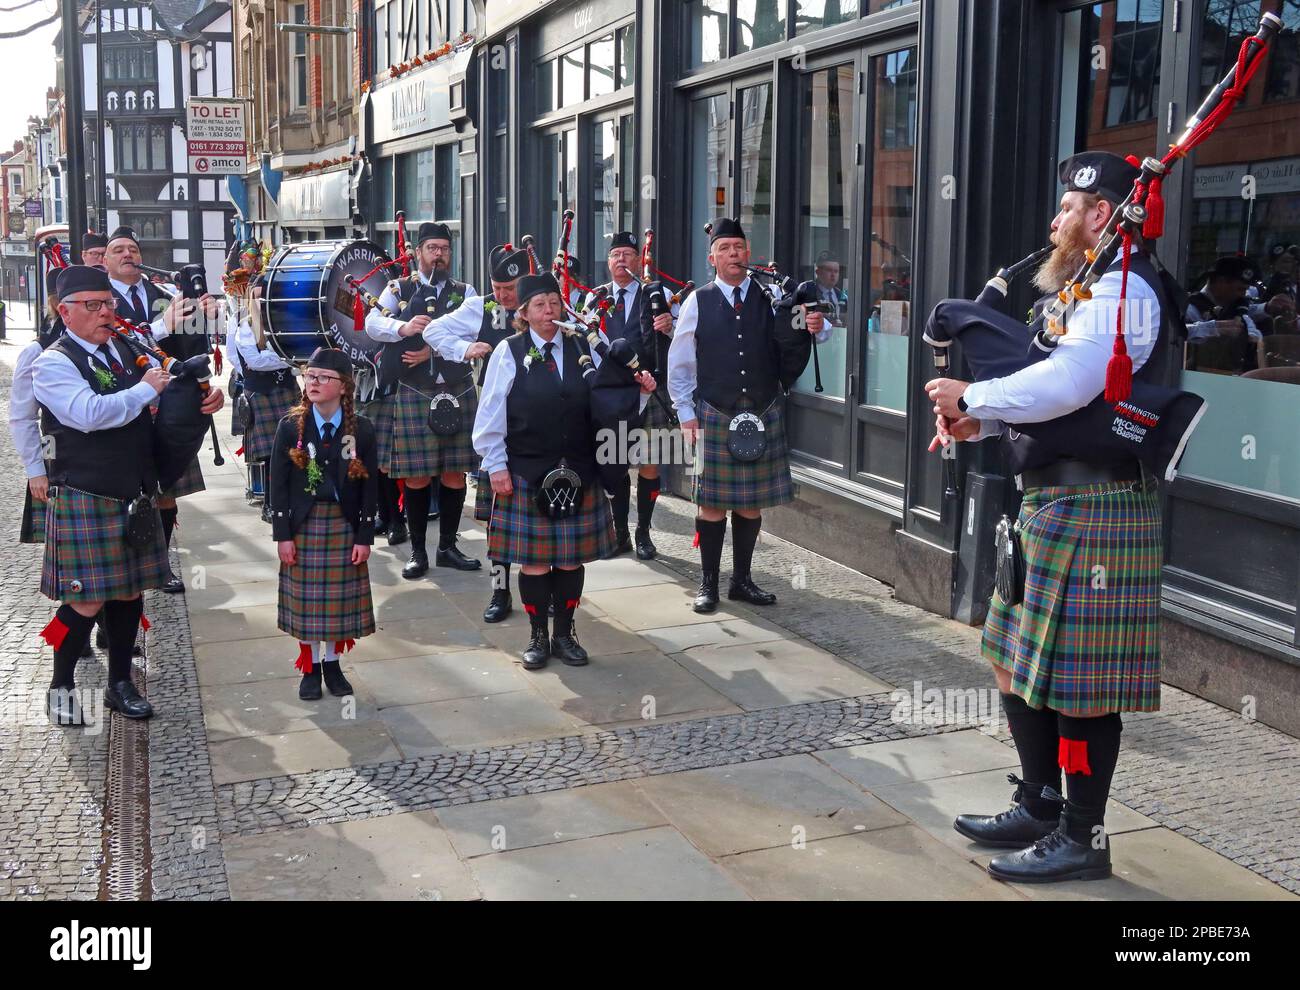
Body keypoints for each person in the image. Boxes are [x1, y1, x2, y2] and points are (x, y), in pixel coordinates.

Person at [926, 151, 1168, 883]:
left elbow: (1072, 382)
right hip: (1053, 500)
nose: (1056, 220)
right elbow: (1058, 398)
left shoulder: (1126, 288)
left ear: (1103, 214)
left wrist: (973, 398)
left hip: (1098, 505)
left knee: (1081, 685)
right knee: (1010, 657)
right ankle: (1038, 800)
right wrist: (984, 424)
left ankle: (1082, 835)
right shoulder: (1085, 289)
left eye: (1069, 207)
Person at [34, 265, 224, 724]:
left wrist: (199, 400)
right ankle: (60, 686)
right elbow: (89, 414)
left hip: (133, 490)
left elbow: (164, 386)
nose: (106, 313)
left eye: (109, 304)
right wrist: (145, 390)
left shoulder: (122, 348)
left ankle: (120, 683)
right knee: (82, 601)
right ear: (65, 311)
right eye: (93, 306)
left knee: (128, 593)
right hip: (85, 493)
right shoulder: (53, 362)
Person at [473, 272, 655, 669]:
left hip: (578, 469)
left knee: (571, 560)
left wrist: (640, 393)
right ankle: (538, 636)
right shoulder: (508, 350)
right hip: (525, 471)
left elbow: (608, 404)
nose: (549, 310)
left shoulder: (583, 346)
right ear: (523, 313)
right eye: (539, 304)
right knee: (535, 562)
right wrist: (496, 465)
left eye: (554, 302)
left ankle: (565, 633)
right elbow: (490, 413)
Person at [667, 217, 822, 614]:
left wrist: (819, 326)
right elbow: (681, 364)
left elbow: (808, 334)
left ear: (748, 253)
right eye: (726, 249)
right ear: (712, 258)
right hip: (715, 412)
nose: (734, 254)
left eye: (739, 247)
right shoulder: (696, 302)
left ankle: (742, 580)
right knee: (712, 505)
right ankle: (707, 585)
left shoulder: (772, 297)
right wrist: (686, 413)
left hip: (763, 408)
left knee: (751, 503)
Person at [105, 225, 221, 592]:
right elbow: (116, 340)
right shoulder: (99, 300)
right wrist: (163, 324)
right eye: (119, 250)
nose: (128, 255)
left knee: (167, 489)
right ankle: (127, 569)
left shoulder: (163, 294)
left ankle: (161, 564)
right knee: (130, 488)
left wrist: (208, 316)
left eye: (133, 250)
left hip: (171, 404)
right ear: (105, 261)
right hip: (126, 403)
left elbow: (193, 346)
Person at [365, 222, 483, 578]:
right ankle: (419, 551)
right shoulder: (397, 288)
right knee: (416, 476)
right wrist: (403, 329)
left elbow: (476, 330)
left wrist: (431, 346)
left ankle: (448, 546)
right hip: (415, 392)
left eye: (444, 249)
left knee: (454, 474)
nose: (438, 255)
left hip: (458, 388)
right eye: (431, 248)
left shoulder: (467, 292)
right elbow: (371, 324)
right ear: (418, 253)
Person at [268, 348, 378, 701]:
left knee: (337, 604)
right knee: (307, 602)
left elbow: (370, 487)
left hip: (343, 523)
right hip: (304, 524)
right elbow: (278, 486)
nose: (312, 382)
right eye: (309, 376)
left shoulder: (361, 430)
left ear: (343, 386)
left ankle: (332, 664)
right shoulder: (290, 427)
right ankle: (310, 667)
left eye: (322, 377)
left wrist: (365, 536)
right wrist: (282, 535)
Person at [584, 231, 677, 560]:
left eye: (628, 254)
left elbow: (680, 338)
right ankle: (620, 533)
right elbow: (587, 343)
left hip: (649, 389)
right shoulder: (595, 298)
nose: (622, 260)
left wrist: (669, 327)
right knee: (616, 463)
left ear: (639, 260)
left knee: (650, 465)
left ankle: (643, 533)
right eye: (616, 254)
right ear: (608, 262)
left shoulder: (657, 293)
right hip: (612, 393)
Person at [473, 243, 528, 623]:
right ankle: (499, 592)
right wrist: (464, 347)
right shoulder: (479, 308)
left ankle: (542, 593)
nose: (503, 297)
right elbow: (438, 331)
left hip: (539, 434)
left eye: (510, 288)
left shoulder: (547, 311)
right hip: (497, 430)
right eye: (498, 288)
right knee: (498, 526)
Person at [223, 240, 298, 516]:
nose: (262, 297)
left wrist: (289, 360)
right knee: (268, 455)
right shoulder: (241, 319)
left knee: (292, 447)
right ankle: (269, 504)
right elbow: (251, 359)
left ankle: (289, 498)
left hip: (287, 389)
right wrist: (289, 358)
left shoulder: (283, 317)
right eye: (258, 292)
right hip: (260, 390)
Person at [1185, 255, 1263, 372]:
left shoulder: (1236, 309)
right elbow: (1180, 337)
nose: (1243, 295)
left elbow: (1254, 333)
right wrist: (1214, 329)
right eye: (1240, 289)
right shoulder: (1190, 309)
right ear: (1220, 282)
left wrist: (1250, 337)